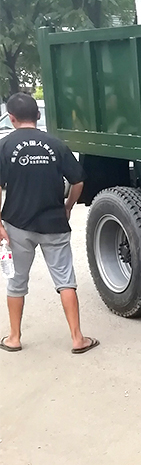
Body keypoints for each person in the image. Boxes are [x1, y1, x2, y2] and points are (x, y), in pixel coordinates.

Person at [0, 92, 98, 354]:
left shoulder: (5, 146)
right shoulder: (56, 145)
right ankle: (77, 339)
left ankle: (14, 338)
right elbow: (78, 181)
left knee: (17, 282)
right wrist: (67, 207)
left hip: (17, 225)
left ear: (11, 119)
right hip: (54, 223)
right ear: (38, 116)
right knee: (65, 280)